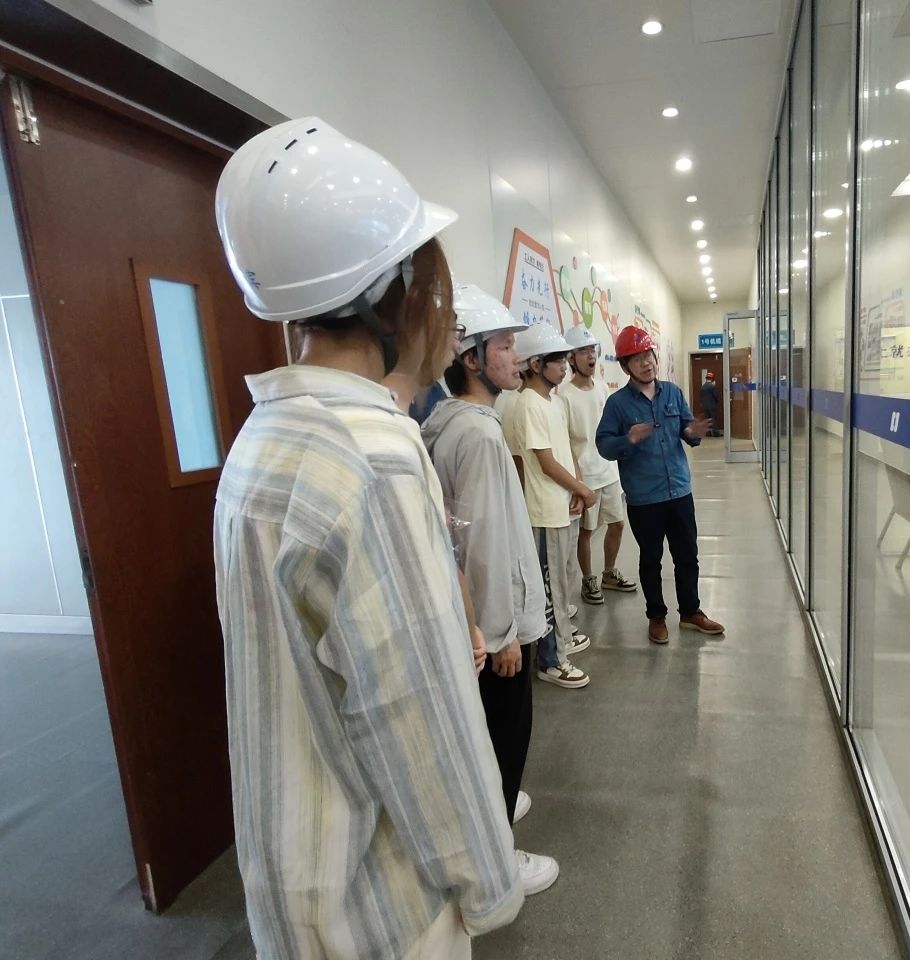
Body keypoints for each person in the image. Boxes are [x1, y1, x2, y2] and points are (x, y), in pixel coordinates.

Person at [213, 118, 520, 959]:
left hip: (296, 890)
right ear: (397, 297)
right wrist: (490, 884)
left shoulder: (263, 438)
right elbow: (416, 716)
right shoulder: (373, 454)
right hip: (384, 906)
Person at [421, 284, 561, 897]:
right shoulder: (477, 435)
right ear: (471, 358)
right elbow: (480, 545)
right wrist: (501, 633)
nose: (516, 356)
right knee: (504, 736)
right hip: (496, 628)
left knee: (486, 734)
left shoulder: (450, 421)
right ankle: (498, 859)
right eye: (504, 346)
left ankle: (494, 807)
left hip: (477, 619)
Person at [596, 325, 724, 644]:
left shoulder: (673, 392)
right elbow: (604, 445)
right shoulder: (617, 404)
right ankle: (656, 616)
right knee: (651, 558)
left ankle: (691, 612)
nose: (646, 363)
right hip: (644, 497)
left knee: (687, 554)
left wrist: (692, 432)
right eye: (637, 359)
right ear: (626, 366)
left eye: (649, 356)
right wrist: (628, 439)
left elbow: (686, 429)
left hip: (679, 490)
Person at [512, 323, 596, 687]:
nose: (564, 366)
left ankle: (561, 643)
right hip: (544, 511)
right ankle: (550, 661)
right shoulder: (527, 404)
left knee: (562, 584)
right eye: (557, 360)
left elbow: (565, 452)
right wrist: (583, 490)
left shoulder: (554, 402)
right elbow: (545, 463)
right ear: (535, 364)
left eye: (565, 359)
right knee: (549, 589)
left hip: (563, 506)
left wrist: (577, 489)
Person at [559, 324, 638, 605]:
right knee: (586, 532)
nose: (590, 356)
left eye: (592, 350)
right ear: (571, 358)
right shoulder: (564, 396)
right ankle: (588, 579)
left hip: (609, 471)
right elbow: (566, 443)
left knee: (618, 524)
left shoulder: (603, 388)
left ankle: (608, 573)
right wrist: (578, 484)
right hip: (586, 476)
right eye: (583, 351)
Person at [700, 370, 723, 436]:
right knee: (713, 418)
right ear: (712, 379)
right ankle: (715, 433)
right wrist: (716, 401)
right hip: (712, 405)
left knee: (707, 419)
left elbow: (701, 397)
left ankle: (708, 433)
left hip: (704, 406)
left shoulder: (702, 386)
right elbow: (715, 396)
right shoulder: (712, 386)